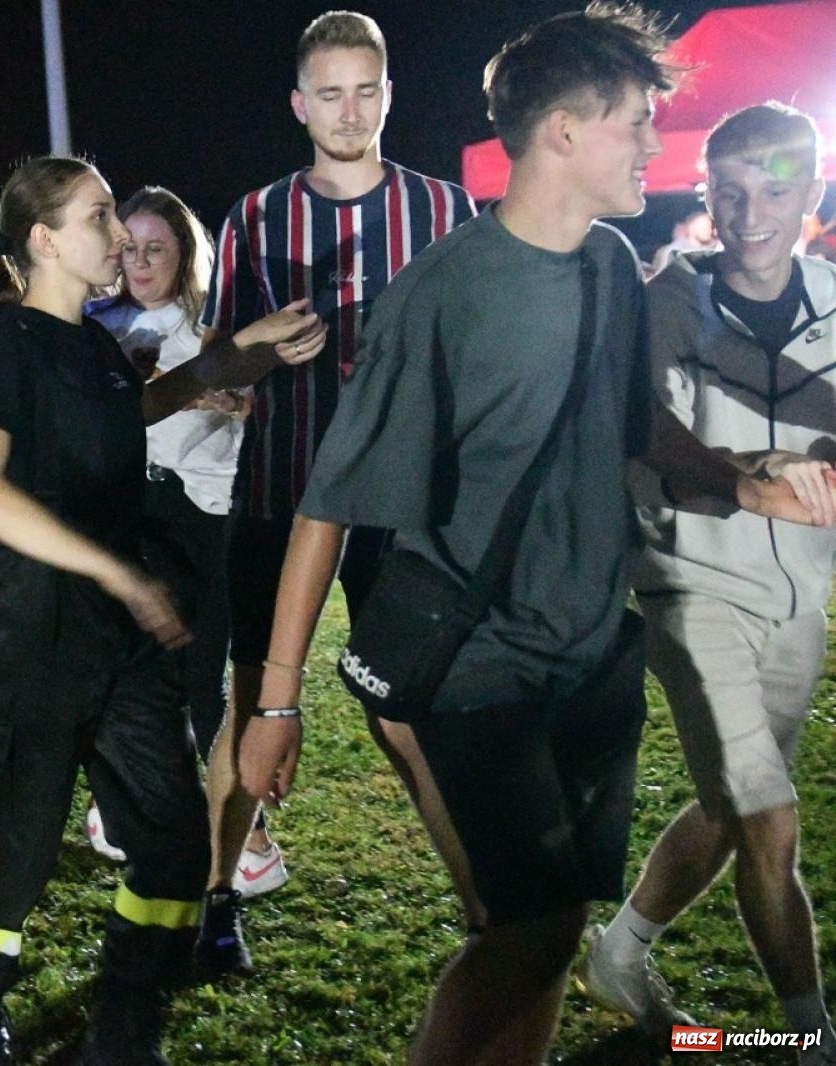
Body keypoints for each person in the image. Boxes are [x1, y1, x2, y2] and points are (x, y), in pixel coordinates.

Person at [243, 8, 834, 1061]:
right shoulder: (439, 294)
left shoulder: (611, 264)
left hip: (589, 655)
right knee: (522, 930)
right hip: (480, 665)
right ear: (563, 131)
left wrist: (745, 483)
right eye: (637, 122)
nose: (657, 145)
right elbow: (326, 506)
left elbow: (634, 424)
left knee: (554, 930)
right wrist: (275, 700)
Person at [0, 155, 323, 1064]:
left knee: (173, 837)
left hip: (119, 644)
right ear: (43, 240)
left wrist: (234, 354)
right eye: (100, 218)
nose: (119, 236)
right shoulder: (7, 345)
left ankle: (123, 1020)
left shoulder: (95, 345)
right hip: (27, 632)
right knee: (12, 848)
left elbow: (134, 410)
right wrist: (112, 571)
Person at [195, 9, 479, 976]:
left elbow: (477, 359)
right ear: (299, 104)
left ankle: (488, 913)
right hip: (280, 496)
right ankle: (215, 898)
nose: (348, 110)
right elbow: (212, 364)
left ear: (388, 94)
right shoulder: (256, 217)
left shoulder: (445, 212)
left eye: (366, 90)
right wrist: (257, 350)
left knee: (408, 715)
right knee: (248, 702)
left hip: (403, 511)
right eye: (330, 93)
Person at [578, 102, 836, 1062]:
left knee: (734, 803)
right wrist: (749, 480)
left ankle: (622, 948)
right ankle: (809, 1039)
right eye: (728, 192)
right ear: (707, 199)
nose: (751, 211)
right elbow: (645, 430)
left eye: (774, 187)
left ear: (811, 191)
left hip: (800, 600)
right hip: (687, 584)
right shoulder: (666, 300)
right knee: (768, 814)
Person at [82, 186, 241, 862]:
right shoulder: (96, 324)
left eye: (158, 249)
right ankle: (126, 803)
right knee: (130, 670)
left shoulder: (215, 326)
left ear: (186, 253)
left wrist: (241, 398)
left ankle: (242, 830)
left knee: (204, 674)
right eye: (132, 248)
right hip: (126, 516)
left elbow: (251, 395)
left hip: (206, 515)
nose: (142, 262)